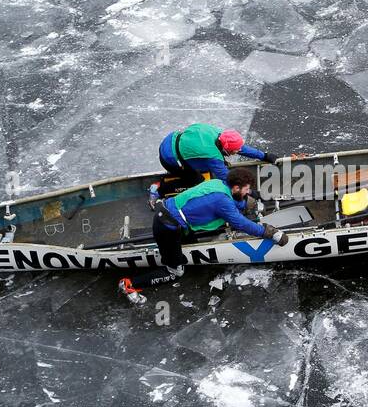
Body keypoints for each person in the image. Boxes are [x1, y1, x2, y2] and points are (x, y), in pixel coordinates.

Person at [119, 167, 289, 305]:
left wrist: (245, 202)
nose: (248, 192)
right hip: (167, 227)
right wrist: (270, 232)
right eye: (246, 190)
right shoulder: (222, 202)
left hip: (169, 215)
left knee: (190, 245)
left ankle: (173, 251)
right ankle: (129, 284)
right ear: (236, 188)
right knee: (175, 272)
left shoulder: (218, 183)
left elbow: (228, 199)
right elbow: (242, 224)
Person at [152, 124, 279, 205]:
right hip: (168, 157)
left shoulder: (219, 134)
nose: (237, 152)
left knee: (208, 168)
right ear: (226, 148)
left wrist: (264, 156)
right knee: (197, 180)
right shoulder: (212, 156)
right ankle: (159, 188)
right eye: (234, 151)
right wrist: (251, 192)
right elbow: (229, 179)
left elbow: (240, 148)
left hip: (172, 140)